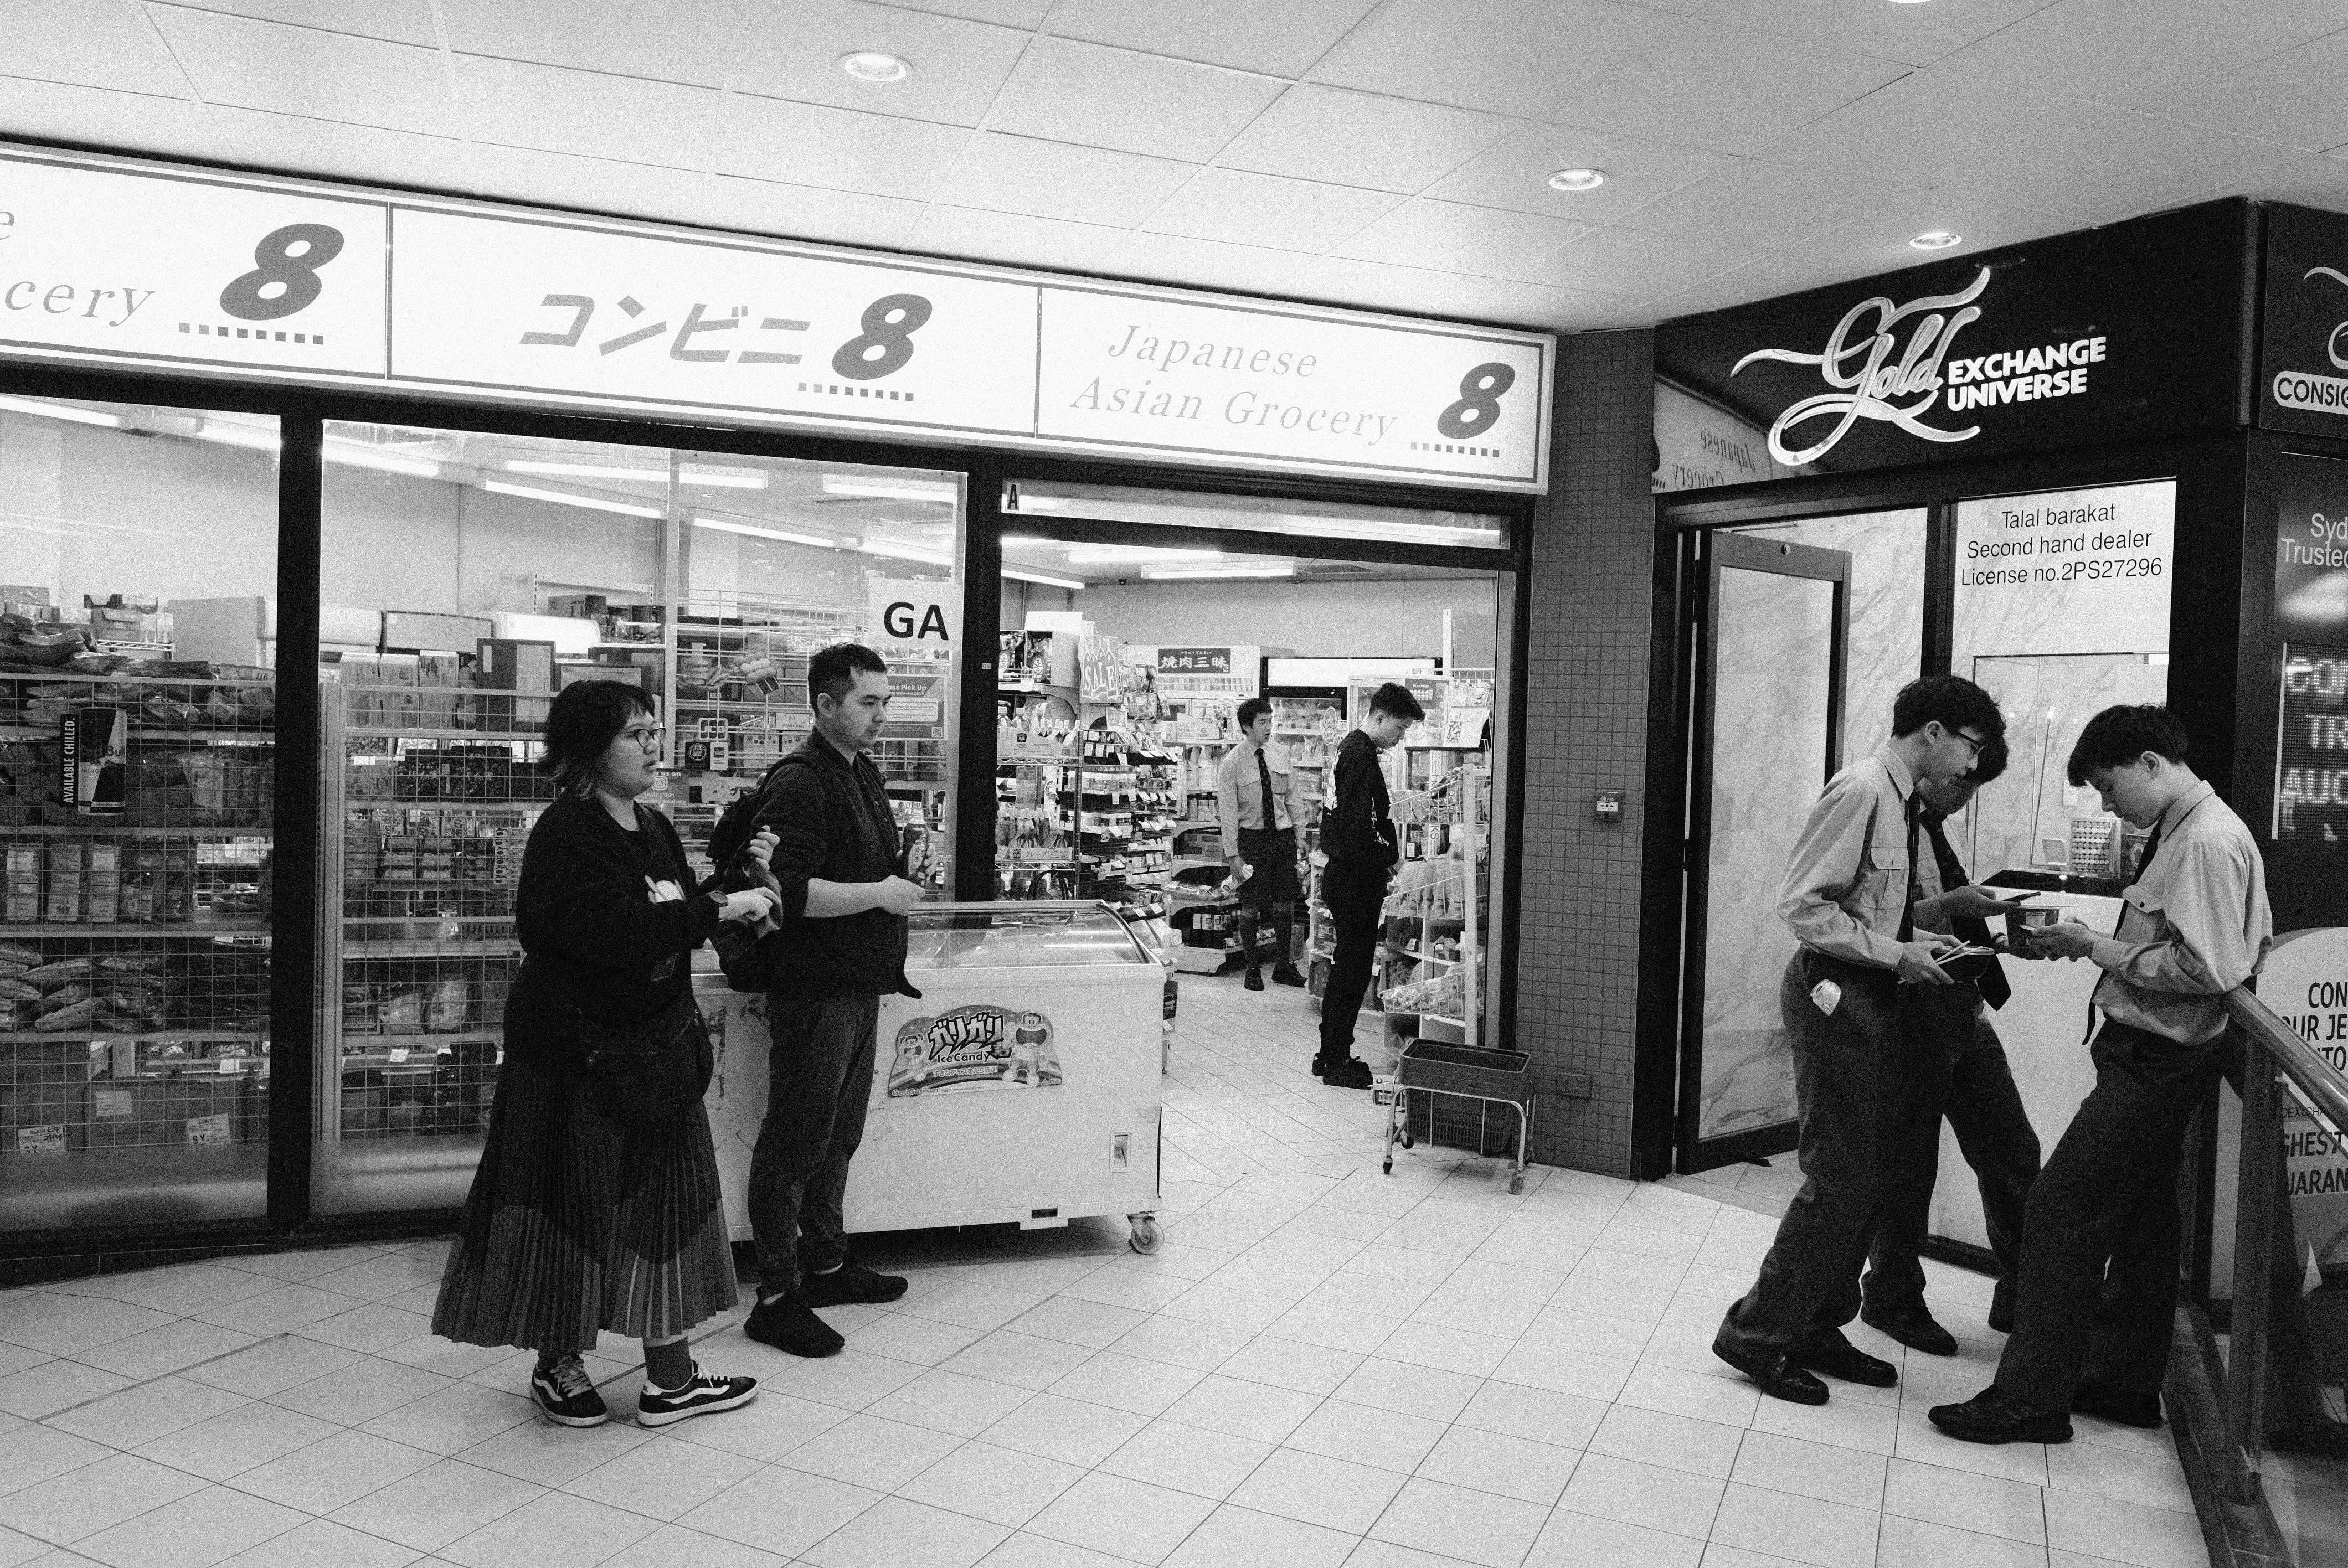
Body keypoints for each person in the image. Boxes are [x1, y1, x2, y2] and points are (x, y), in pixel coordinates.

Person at [431, 681, 777, 1430]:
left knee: (665, 1210)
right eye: (637, 734)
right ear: (589, 747)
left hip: (652, 1052)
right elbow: (615, 933)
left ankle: (673, 1378)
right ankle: (558, 1364)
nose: (655, 745)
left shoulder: (650, 825)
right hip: (574, 1057)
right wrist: (713, 908)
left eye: (654, 730)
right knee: (566, 1203)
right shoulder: (566, 833)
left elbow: (673, 918)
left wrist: (740, 889)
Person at [1932, 705, 2273, 1443]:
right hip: (2153, 1054)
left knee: (2060, 1208)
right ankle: (2120, 1382)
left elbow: (2207, 968)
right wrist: (2084, 945)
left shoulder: (2206, 842)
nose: (2106, 804)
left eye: (2109, 786)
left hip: (2157, 1060)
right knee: (2148, 1223)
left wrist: (2094, 948)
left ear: (2152, 762)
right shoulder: (2186, 832)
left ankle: (2032, 1397)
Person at [1714, 674, 2004, 1406]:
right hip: (1834, 993)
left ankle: (1815, 1324)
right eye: (1972, 747)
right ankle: (1758, 1330)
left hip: (1874, 994)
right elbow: (1802, 905)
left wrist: (1935, 919)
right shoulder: (1864, 791)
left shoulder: (1902, 803)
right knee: (1841, 1173)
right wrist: (1896, 952)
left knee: (1871, 1173)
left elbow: (1875, 902)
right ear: (1932, 733)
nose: (1974, 766)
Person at [742, 643, 925, 1359]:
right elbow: (786, 890)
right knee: (795, 1144)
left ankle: (825, 1261)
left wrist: (899, 873)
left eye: (885, 701)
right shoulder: (801, 780)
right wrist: (882, 893)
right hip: (815, 991)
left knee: (838, 1139)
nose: (882, 715)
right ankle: (777, 1295)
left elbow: (865, 864)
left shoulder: (860, 771)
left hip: (857, 985)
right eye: (868, 702)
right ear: (824, 705)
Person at [1860, 735, 2041, 1356]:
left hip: (1960, 1000)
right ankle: (1890, 1295)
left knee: (2012, 1147)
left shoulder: (1927, 824)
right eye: (1961, 779)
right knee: (1909, 1160)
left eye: (1974, 784)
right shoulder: (1874, 808)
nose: (1965, 791)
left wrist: (1977, 919)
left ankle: (2025, 1287)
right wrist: (1950, 906)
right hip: (1913, 1002)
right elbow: (1871, 916)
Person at [1317, 682, 1423, 1089]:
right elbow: (1362, 828)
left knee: (1347, 966)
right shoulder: (1361, 756)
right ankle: (1336, 1058)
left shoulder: (1351, 749)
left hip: (1345, 874)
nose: (1400, 738)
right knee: (1352, 970)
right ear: (1379, 717)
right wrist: (1394, 862)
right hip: (1355, 877)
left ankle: (1328, 1053)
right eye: (1398, 728)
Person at [1217, 696, 1307, 992]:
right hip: (1251, 840)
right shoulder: (1232, 763)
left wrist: (1301, 835)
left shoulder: (1281, 753)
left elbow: (1292, 797)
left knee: (1285, 899)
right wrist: (1233, 855)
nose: (1269, 727)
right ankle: (1252, 968)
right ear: (1246, 727)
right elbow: (1229, 813)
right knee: (1251, 905)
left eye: (1271, 720)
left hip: (1281, 839)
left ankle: (1283, 966)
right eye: (1263, 722)